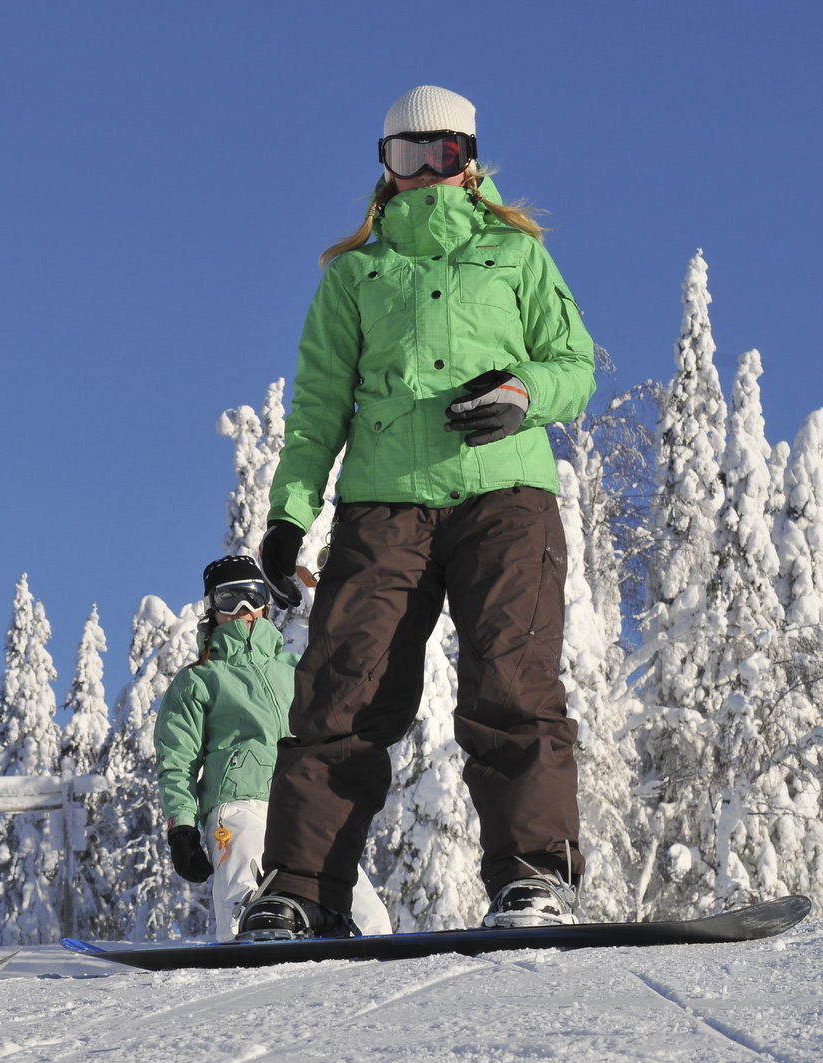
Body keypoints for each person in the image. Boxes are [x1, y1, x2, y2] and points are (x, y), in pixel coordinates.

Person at [244, 86, 596, 938]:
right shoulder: (356, 276)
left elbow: (575, 363)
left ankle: (532, 877)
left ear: (469, 159)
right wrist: (289, 515)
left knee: (511, 684)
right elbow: (319, 406)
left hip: (504, 497)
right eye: (407, 157)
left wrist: (523, 393)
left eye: (441, 155)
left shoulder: (515, 256)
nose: (425, 174)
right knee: (341, 694)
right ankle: (301, 889)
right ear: (384, 166)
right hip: (383, 510)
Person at [156, 556, 391, 940]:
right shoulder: (199, 680)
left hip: (304, 807)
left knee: (367, 916)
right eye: (230, 598)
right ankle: (243, 963)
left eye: (254, 595)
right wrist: (181, 828)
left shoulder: (295, 669)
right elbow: (176, 762)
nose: (244, 610)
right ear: (212, 608)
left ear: (267, 602)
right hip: (237, 805)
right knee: (245, 905)